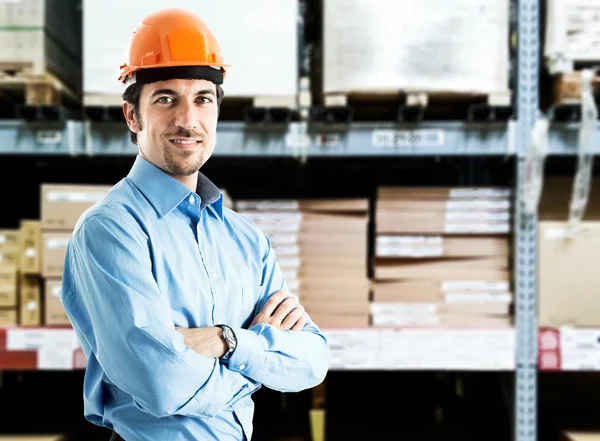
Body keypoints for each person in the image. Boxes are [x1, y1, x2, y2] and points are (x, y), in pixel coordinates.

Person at [60, 8, 329, 441]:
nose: (188, 119)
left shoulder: (244, 237)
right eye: (166, 98)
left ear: (217, 111)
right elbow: (162, 384)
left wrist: (227, 342)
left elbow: (311, 362)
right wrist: (259, 359)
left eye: (203, 98)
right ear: (133, 116)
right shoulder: (110, 230)